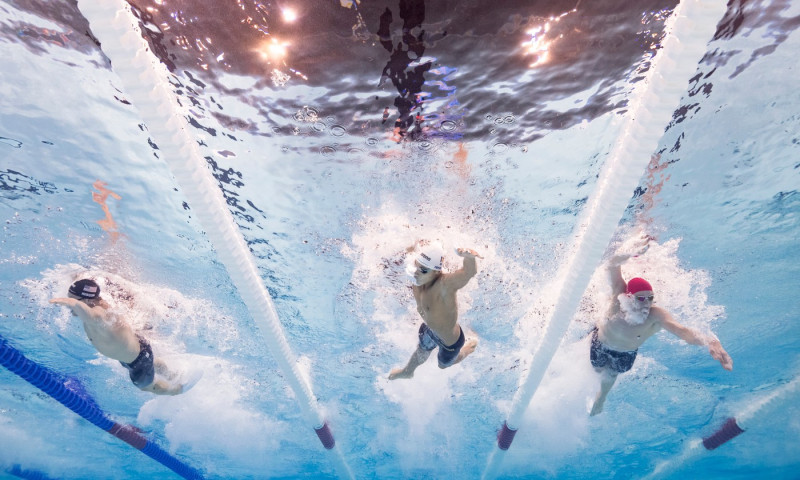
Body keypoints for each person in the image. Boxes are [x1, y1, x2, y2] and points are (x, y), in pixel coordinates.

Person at [589, 240, 734, 415]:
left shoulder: (656, 315)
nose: (647, 304)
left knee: (610, 375)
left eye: (650, 298)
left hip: (624, 354)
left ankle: (601, 399)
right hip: (601, 342)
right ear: (628, 296)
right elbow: (612, 264)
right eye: (641, 298)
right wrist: (630, 252)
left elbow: (682, 331)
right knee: (596, 368)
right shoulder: (618, 295)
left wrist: (710, 341)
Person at [50, 279, 186, 395]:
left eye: (72, 300)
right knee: (152, 362)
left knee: (146, 387)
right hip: (135, 352)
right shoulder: (96, 304)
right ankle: (172, 375)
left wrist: (72, 303)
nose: (69, 306)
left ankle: (178, 390)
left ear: (86, 301)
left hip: (137, 360)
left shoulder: (98, 313)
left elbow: (91, 315)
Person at [389, 242, 481, 380]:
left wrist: (469, 257)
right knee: (421, 351)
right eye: (417, 266)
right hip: (429, 329)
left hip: (450, 342)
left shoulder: (444, 285)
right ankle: (408, 372)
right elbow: (410, 251)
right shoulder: (416, 277)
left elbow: (469, 273)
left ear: (436, 272)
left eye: (424, 270)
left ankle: (470, 347)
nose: (417, 273)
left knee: (443, 365)